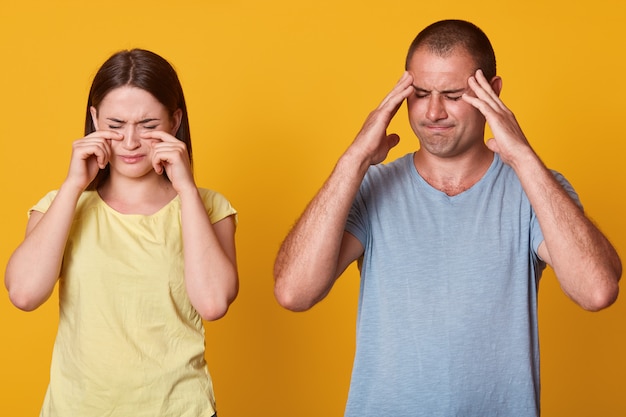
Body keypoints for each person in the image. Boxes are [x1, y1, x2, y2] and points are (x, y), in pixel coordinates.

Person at [273, 19, 621, 416]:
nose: (433, 111)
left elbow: (597, 290)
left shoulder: (537, 188)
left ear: (492, 92)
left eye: (453, 95)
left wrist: (523, 156)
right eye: (420, 94)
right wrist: (353, 160)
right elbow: (294, 293)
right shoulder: (368, 186)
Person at [5, 49, 238, 417]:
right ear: (94, 119)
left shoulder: (208, 208)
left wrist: (187, 190)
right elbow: (24, 293)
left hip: (178, 409)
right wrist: (72, 186)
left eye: (148, 125)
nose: (130, 142)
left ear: (175, 121)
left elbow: (213, 303)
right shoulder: (60, 206)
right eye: (115, 125)